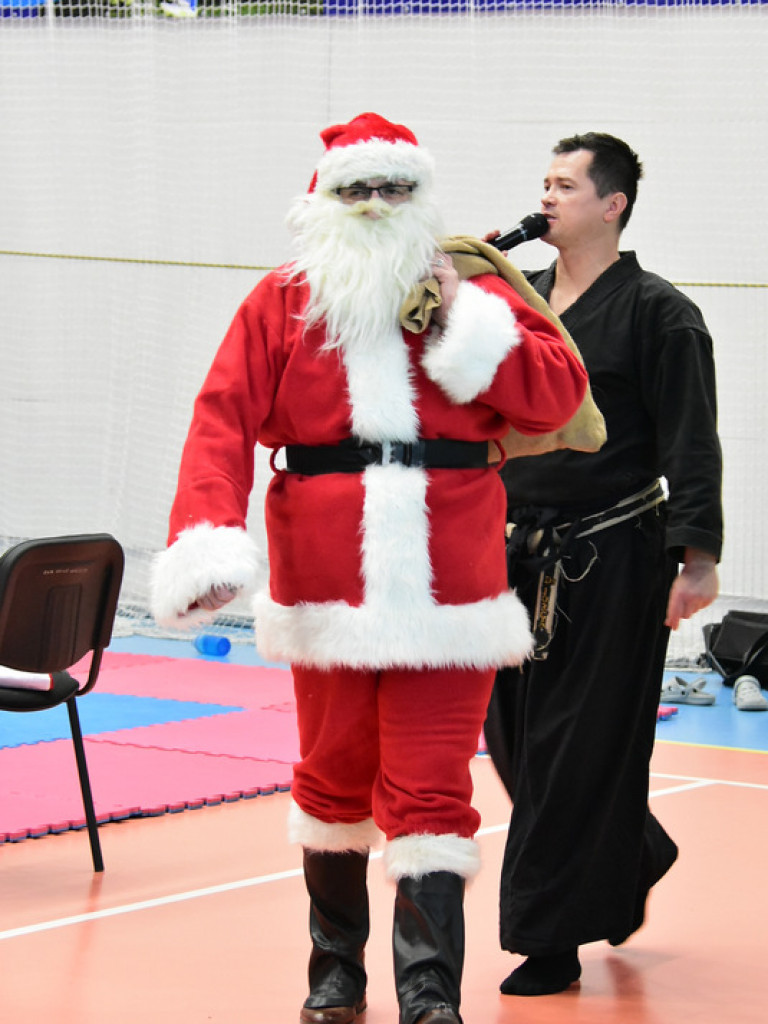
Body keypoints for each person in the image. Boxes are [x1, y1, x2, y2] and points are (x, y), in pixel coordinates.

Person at [150, 112, 591, 1024]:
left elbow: (558, 395)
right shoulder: (280, 303)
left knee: (435, 786)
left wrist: (459, 315)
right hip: (327, 582)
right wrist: (208, 539)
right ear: (324, 201)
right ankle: (336, 974)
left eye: (397, 189)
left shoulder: (476, 290)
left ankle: (429, 991)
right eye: (359, 190)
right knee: (333, 776)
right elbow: (221, 421)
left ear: (423, 200)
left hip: (453, 586)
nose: (378, 206)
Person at [483, 132, 724, 997]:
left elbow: (693, 440)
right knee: (509, 737)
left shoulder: (661, 313)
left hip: (614, 557)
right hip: (511, 553)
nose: (546, 198)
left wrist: (695, 557)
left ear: (612, 204)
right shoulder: (516, 302)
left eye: (566, 186)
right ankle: (634, 851)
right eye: (542, 183)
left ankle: (550, 938)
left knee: (573, 749)